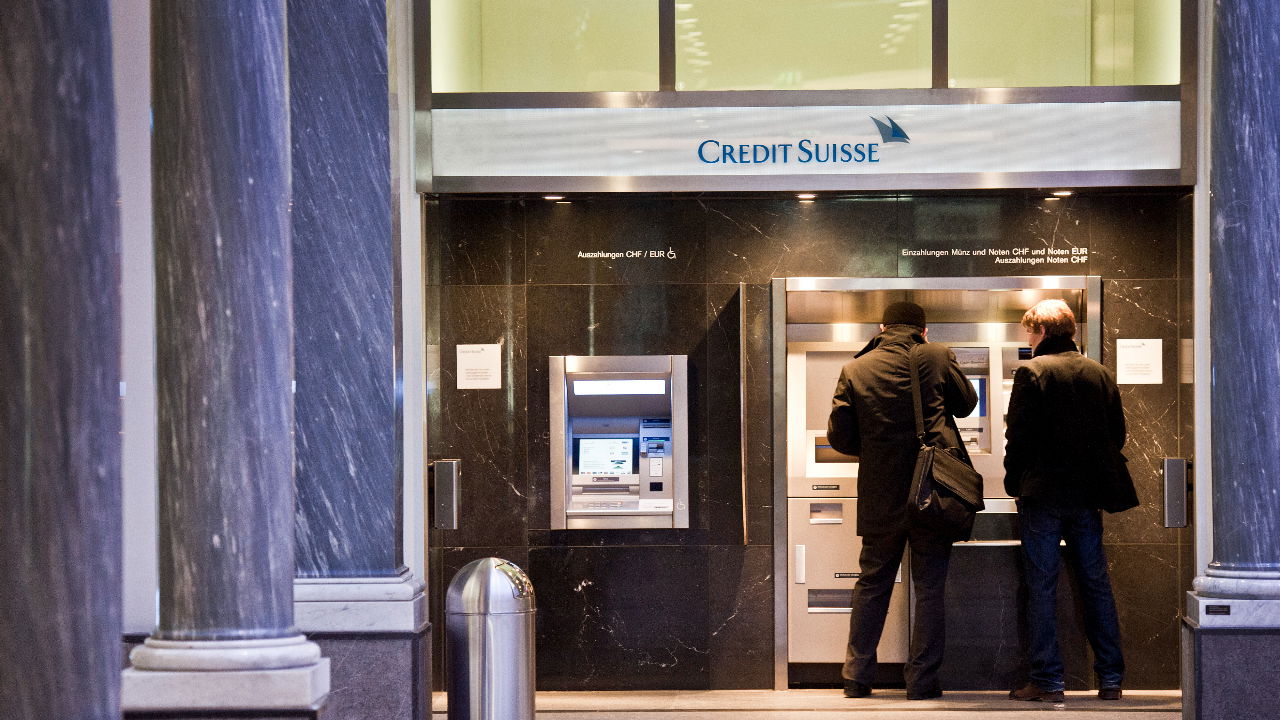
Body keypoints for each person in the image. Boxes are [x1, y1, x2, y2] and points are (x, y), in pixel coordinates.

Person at [827, 301, 977, 700]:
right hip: (933, 490)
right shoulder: (937, 356)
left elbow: (840, 436)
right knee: (929, 587)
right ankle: (922, 681)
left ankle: (857, 677)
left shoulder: (856, 368)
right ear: (923, 331)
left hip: (881, 493)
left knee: (872, 583)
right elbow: (967, 405)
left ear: (882, 327)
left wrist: (877, 450)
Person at [1004, 299, 1138, 704]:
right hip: (1086, 496)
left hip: (1043, 494)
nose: (1029, 340)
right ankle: (1110, 679)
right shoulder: (1099, 373)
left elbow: (1018, 437)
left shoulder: (1032, 371)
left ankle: (1048, 681)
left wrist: (1014, 483)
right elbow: (1117, 435)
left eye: (1030, 332)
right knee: (1095, 582)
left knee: (1042, 585)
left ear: (1042, 331)